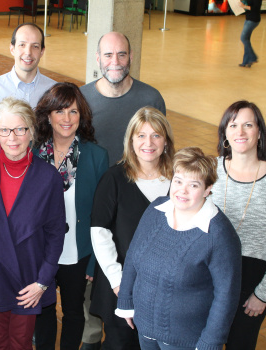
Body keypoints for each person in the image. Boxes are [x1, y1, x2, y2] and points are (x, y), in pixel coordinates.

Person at [0, 97, 66, 350]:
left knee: (21, 343)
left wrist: (42, 282)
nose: (12, 137)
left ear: (31, 132)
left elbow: (55, 235)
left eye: (20, 129)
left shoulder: (48, 177)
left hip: (29, 279)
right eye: (5, 130)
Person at [117, 147, 242, 350]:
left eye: (194, 185)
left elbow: (226, 294)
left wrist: (211, 342)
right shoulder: (156, 210)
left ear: (208, 189)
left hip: (187, 341)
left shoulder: (219, 234)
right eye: (178, 181)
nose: (182, 191)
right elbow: (132, 256)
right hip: (145, 329)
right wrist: (125, 300)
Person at [212, 101, 266, 349]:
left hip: (253, 279)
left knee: (241, 343)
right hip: (211, 274)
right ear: (225, 133)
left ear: (259, 132)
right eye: (234, 125)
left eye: (248, 125)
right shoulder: (211, 170)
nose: (240, 132)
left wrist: (264, 294)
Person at [90, 107, 174, 350]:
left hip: (163, 289)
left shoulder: (178, 181)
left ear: (166, 142)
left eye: (156, 135)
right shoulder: (114, 178)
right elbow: (100, 233)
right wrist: (119, 283)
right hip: (121, 285)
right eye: (141, 135)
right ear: (131, 141)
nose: (149, 142)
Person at [33, 82, 109, 350]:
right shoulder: (32, 154)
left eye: (73, 112)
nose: (66, 119)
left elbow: (102, 215)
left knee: (74, 313)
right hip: (40, 251)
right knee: (43, 312)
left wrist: (93, 264)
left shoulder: (96, 156)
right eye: (60, 111)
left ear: (82, 116)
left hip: (79, 252)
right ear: (48, 115)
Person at [80, 32, 166, 165]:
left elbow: (162, 149)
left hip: (136, 181)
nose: (115, 62)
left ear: (130, 57)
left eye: (122, 55)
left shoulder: (152, 99)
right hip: (95, 183)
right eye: (108, 55)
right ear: (98, 59)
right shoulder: (80, 99)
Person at [0, 22, 56, 122]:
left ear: (42, 51)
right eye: (22, 45)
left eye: (35, 46)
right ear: (12, 49)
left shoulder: (54, 91)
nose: (28, 52)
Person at [238, 0, 262, 68]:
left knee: (243, 38)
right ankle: (246, 62)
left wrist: (244, 6)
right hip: (248, 18)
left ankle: (253, 57)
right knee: (246, 39)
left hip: (253, 20)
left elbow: (256, 8)